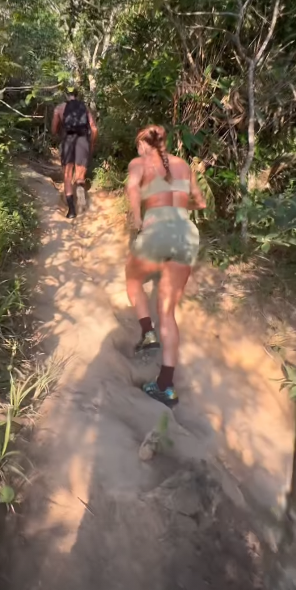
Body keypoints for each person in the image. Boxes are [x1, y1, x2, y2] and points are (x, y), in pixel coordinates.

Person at [125, 125, 206, 407]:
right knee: (168, 313)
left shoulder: (141, 163)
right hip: (186, 233)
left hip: (157, 229)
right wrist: (180, 209)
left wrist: (137, 219)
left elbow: (132, 189)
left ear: (143, 144)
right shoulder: (183, 165)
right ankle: (165, 386)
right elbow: (201, 202)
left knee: (134, 280)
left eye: (138, 146)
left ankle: (147, 333)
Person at [51, 85, 98, 218]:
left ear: (66, 95)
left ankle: (71, 210)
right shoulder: (84, 108)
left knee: (67, 176)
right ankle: (82, 205)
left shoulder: (59, 109)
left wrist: (60, 131)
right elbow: (94, 129)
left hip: (68, 142)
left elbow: (54, 130)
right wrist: (92, 143)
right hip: (83, 142)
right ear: (77, 95)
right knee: (80, 176)